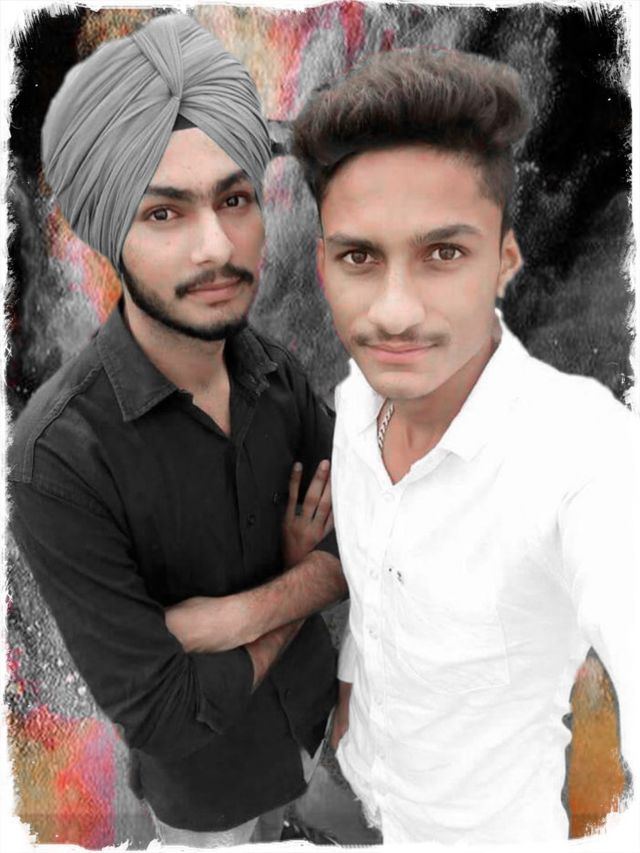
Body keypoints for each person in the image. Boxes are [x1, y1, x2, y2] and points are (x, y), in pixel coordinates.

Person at [8, 14, 347, 847]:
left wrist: (227, 619)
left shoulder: (274, 371)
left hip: (320, 724)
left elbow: (380, 529)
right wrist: (303, 582)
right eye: (165, 213)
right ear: (107, 236)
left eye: (235, 199)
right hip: (207, 799)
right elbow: (168, 711)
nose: (217, 247)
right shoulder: (57, 459)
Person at [291, 47, 639, 845]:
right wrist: (346, 715)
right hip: (358, 785)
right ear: (323, 264)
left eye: (443, 253)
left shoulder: (583, 454)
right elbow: (375, 598)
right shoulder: (357, 400)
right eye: (359, 256)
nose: (395, 311)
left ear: (504, 259)